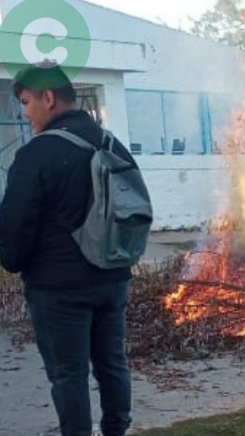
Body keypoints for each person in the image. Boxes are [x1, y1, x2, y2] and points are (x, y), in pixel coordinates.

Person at [0, 63, 144, 436]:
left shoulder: (36, 155)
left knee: (69, 375)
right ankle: (116, 430)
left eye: (27, 102)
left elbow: (14, 225)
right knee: (112, 363)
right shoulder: (112, 143)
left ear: (48, 98)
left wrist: (12, 261)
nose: (26, 113)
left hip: (58, 289)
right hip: (113, 277)